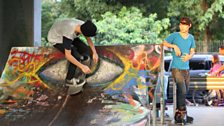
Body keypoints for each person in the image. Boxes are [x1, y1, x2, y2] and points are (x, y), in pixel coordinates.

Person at [162, 17, 195, 124]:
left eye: (184, 25)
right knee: (182, 90)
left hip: (186, 69)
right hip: (176, 68)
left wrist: (189, 57)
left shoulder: (191, 38)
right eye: (181, 24)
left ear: (189, 26)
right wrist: (174, 46)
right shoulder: (175, 36)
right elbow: (163, 43)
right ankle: (181, 114)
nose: (182, 26)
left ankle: (181, 114)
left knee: (183, 92)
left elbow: (193, 51)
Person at [47, 18, 99, 86]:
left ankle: (80, 65)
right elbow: (68, 56)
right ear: (83, 33)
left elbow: (88, 39)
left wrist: (95, 53)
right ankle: (69, 80)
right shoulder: (69, 33)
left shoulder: (83, 25)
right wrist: (82, 66)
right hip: (56, 38)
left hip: (63, 30)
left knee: (85, 49)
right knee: (75, 56)